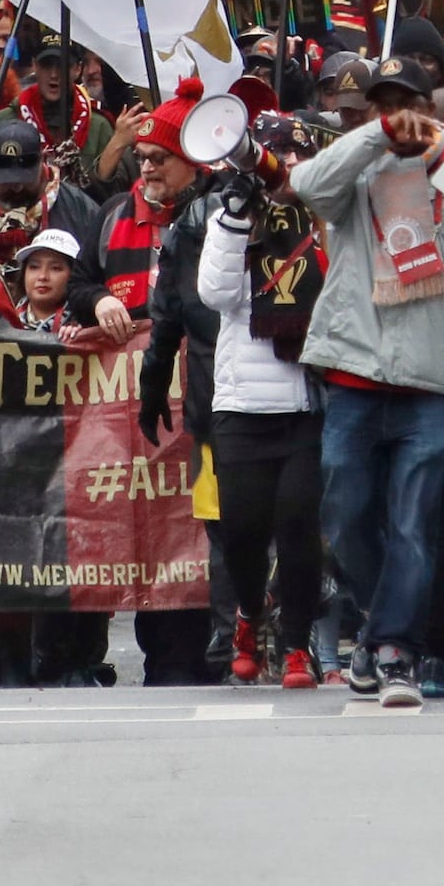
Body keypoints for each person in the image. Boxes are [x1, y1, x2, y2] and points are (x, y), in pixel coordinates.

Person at [289, 62, 444, 708]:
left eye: (403, 104)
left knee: (414, 522)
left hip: (430, 381)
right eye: (379, 105)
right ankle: (378, 635)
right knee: (345, 514)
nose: (392, 114)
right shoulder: (356, 169)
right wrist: (376, 135)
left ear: (432, 107)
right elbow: (304, 183)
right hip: (354, 371)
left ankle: (392, 652)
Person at [183, 128, 322, 690]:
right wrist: (238, 213)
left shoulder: (323, 220)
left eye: (293, 157)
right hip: (241, 406)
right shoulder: (229, 221)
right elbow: (215, 294)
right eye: (275, 155)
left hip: (304, 405)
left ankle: (295, 647)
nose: (282, 167)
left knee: (298, 530)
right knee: (240, 531)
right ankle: (248, 613)